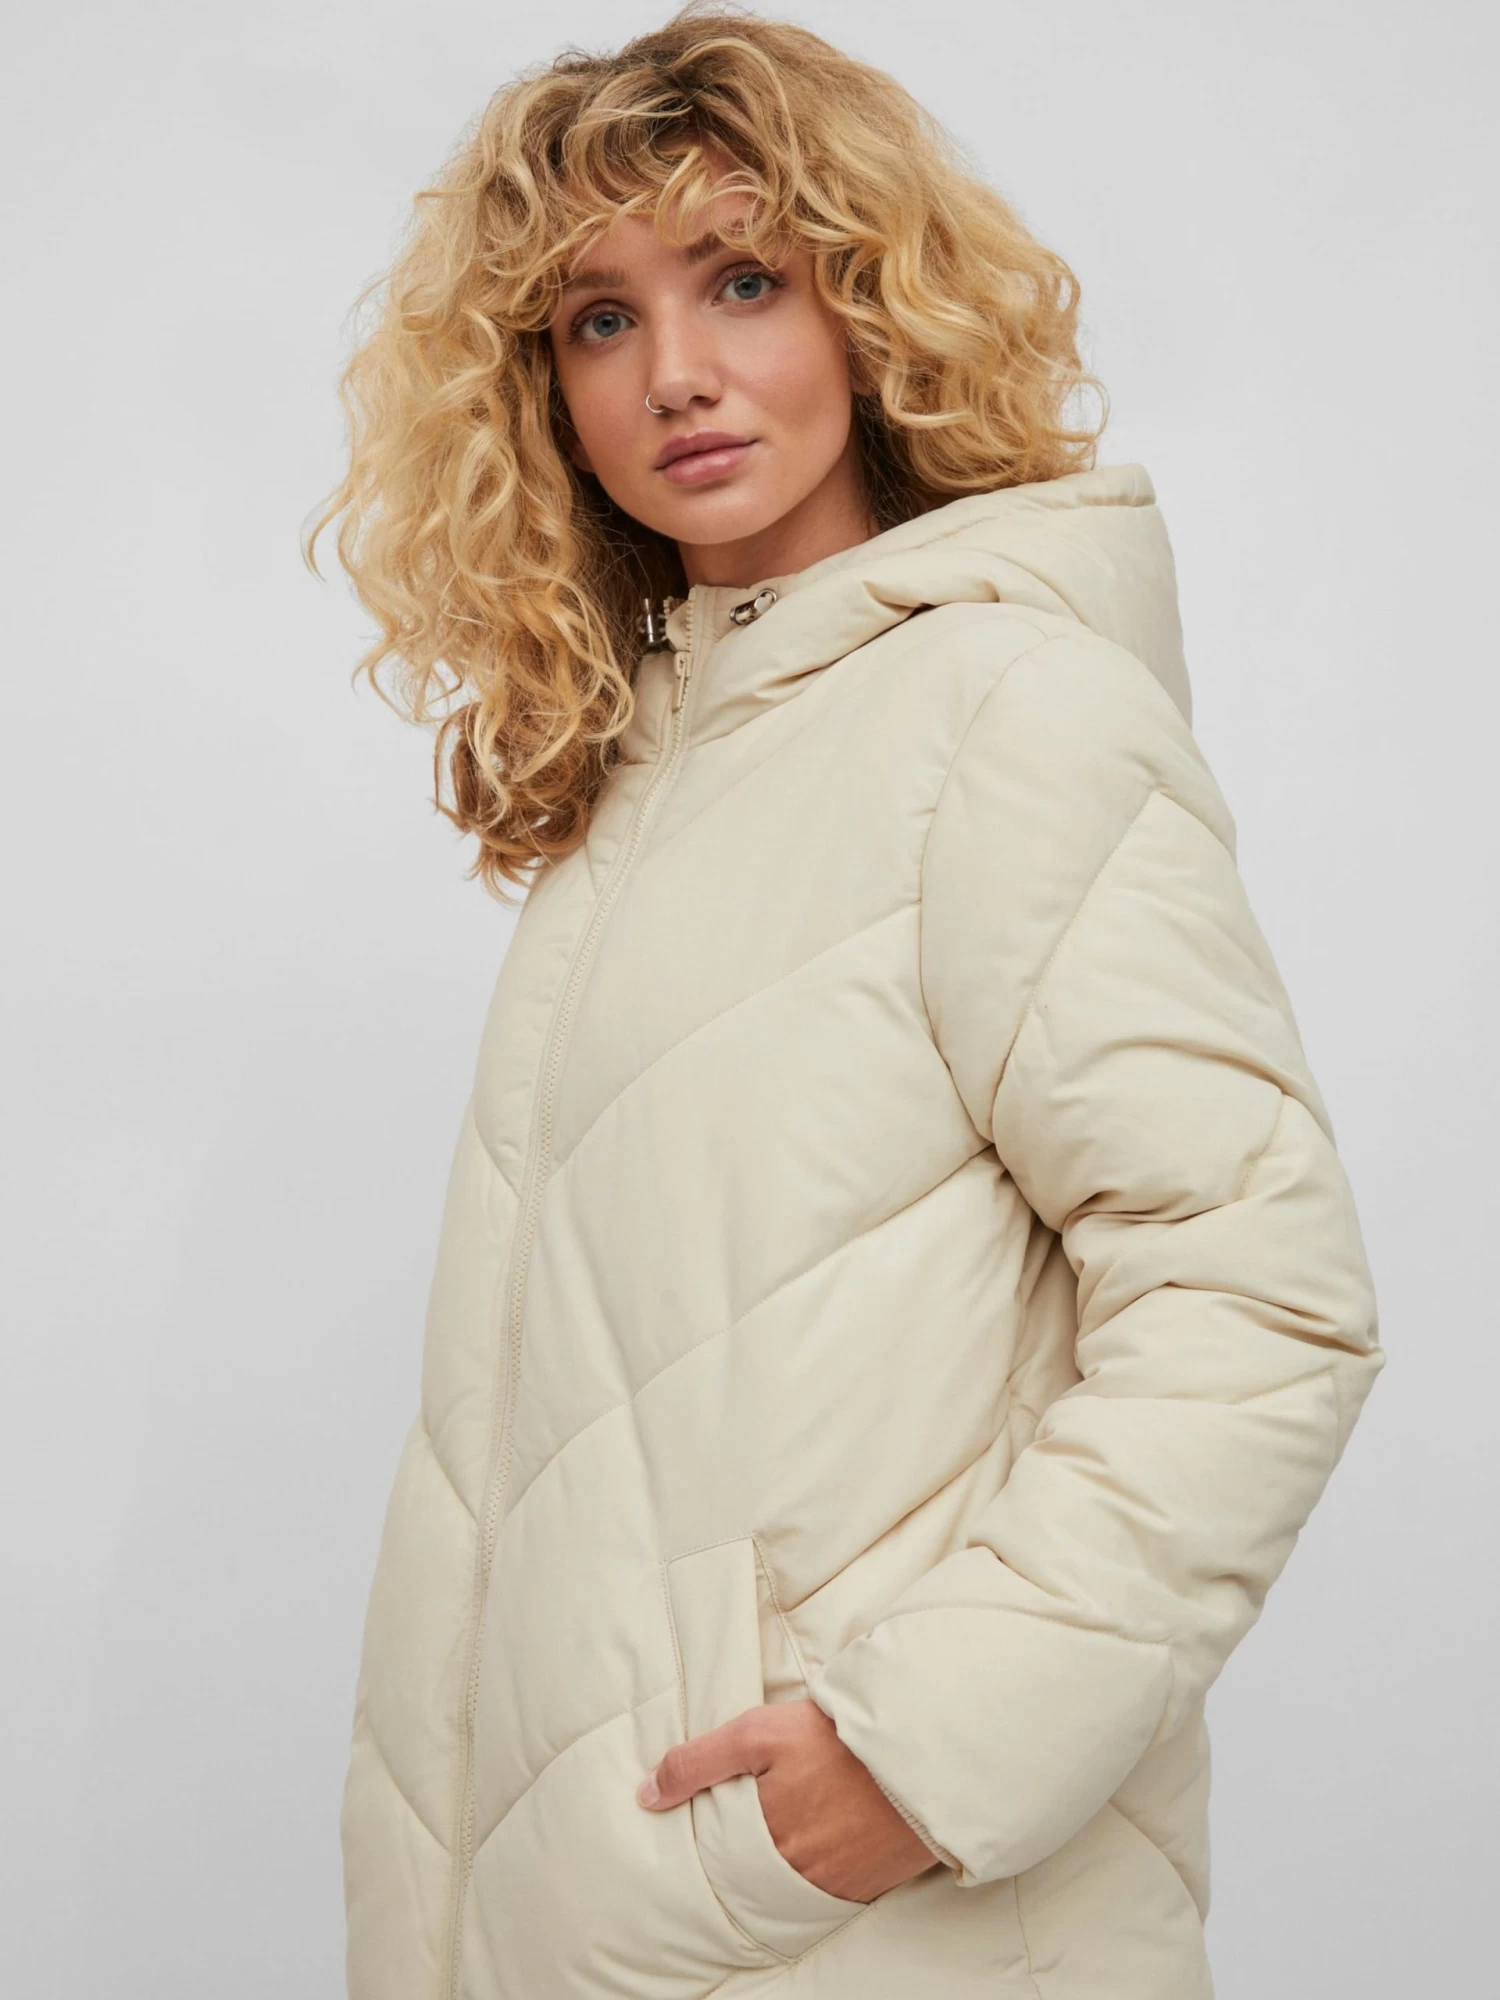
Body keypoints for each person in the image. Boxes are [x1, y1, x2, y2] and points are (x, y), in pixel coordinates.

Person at [309, 10, 1382, 1997]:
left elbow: (1260, 1296)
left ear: (873, 308)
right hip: (604, 1916)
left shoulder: (1004, 711)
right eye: (599, 319)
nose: (675, 370)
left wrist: (920, 1752)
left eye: (742, 280)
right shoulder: (653, 773)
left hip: (864, 1924)